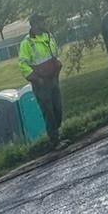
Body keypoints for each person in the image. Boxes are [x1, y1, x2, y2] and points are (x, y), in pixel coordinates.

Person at [18, 14, 63, 147]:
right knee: (48, 111)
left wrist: (57, 68)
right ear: (34, 24)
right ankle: (55, 141)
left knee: (58, 109)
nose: (44, 23)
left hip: (53, 78)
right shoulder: (27, 43)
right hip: (41, 83)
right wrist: (36, 79)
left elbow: (54, 55)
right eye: (41, 21)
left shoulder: (48, 36)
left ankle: (56, 134)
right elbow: (23, 65)